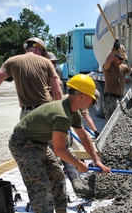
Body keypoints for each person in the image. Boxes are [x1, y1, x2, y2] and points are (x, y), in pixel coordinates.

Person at [8, 74, 111, 213]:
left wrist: (96, 160)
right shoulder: (61, 114)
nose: (92, 104)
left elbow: (84, 137)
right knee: (40, 186)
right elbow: (59, 150)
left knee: (57, 176)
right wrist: (79, 165)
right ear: (81, 96)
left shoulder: (74, 112)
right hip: (22, 144)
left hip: (40, 143)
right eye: (91, 100)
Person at [0, 37, 63, 119]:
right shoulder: (47, 62)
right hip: (45, 110)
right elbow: (58, 92)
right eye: (42, 53)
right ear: (38, 49)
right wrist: (59, 112)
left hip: (26, 113)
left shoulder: (12, 61)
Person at [102, 39, 132, 120]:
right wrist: (114, 50)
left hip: (120, 99)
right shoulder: (109, 67)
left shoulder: (123, 68)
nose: (121, 60)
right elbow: (107, 63)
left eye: (122, 58)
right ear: (114, 57)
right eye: (119, 58)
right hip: (110, 100)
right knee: (111, 123)